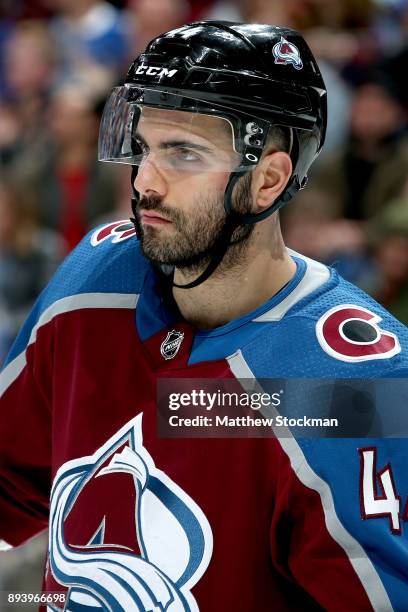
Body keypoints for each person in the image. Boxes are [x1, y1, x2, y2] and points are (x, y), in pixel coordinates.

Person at [1, 21, 408, 612]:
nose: (145, 183)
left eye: (183, 154)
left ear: (268, 180)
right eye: (143, 148)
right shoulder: (93, 284)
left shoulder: (357, 384)